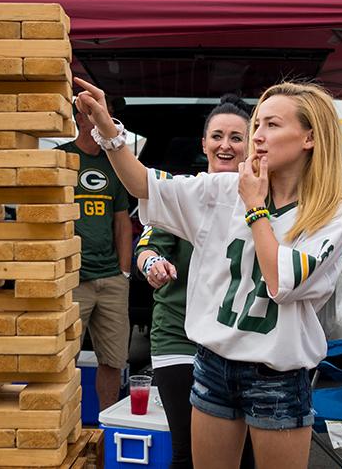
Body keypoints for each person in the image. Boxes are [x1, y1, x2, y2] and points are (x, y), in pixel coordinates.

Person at [75, 77, 342, 469]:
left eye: (272, 125)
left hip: (277, 376)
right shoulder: (223, 188)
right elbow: (144, 184)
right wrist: (108, 127)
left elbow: (281, 281)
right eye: (257, 124)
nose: (258, 135)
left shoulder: (333, 212)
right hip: (213, 365)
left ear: (309, 137)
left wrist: (255, 207)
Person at [134, 94, 252, 469]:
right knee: (189, 452)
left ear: (251, 145)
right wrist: (153, 263)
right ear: (204, 143)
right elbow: (147, 247)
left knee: (245, 454)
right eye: (217, 136)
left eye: (236, 137)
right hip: (179, 335)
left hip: (239, 340)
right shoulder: (185, 191)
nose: (226, 145)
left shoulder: (266, 196)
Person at [56, 105, 132, 411]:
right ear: (79, 119)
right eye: (94, 114)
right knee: (62, 360)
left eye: (105, 115)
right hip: (72, 279)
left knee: (113, 360)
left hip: (112, 278)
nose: (102, 120)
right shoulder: (60, 158)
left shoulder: (116, 163)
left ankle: (105, 426)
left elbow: (122, 221)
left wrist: (124, 273)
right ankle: (63, 426)